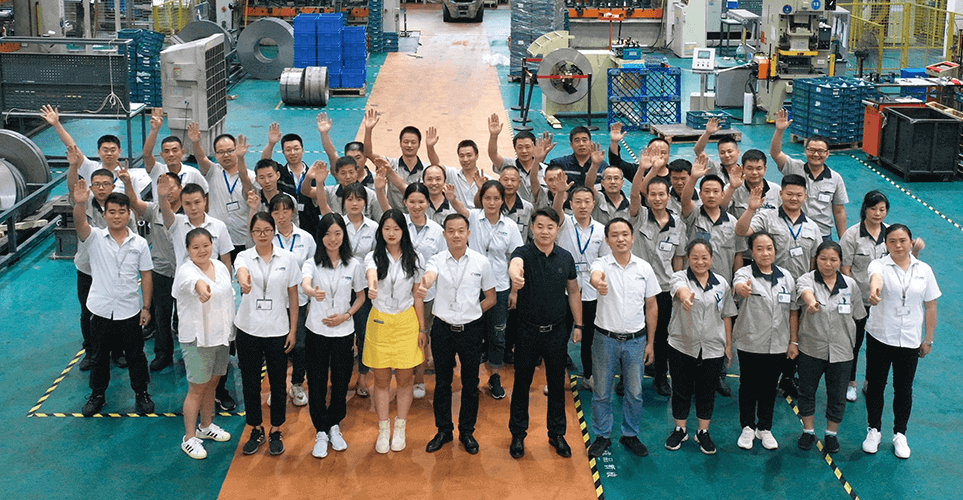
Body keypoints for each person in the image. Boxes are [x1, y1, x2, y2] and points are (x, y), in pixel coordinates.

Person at [72, 184, 155, 417]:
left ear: (129, 214)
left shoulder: (139, 243)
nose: (117, 216)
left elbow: (146, 274)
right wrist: (80, 203)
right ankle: (97, 395)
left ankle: (141, 393)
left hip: (129, 311)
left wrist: (146, 307)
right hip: (100, 310)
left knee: (136, 356)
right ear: (105, 214)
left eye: (121, 212)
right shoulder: (95, 237)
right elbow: (80, 223)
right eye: (112, 212)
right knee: (99, 357)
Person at [507, 207, 583, 459]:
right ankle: (518, 434)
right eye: (539, 226)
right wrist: (515, 277)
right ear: (532, 228)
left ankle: (557, 434)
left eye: (550, 227)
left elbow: (573, 291)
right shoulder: (523, 253)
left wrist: (579, 325)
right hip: (527, 331)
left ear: (557, 230)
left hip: (557, 332)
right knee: (522, 383)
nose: (544, 231)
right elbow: (515, 266)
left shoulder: (565, 257)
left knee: (557, 384)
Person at [420, 213, 497, 454]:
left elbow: (491, 298)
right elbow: (430, 276)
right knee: (442, 382)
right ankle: (444, 430)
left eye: (461, 230)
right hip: (443, 328)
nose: (456, 235)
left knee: (470, 383)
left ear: (468, 233)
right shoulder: (436, 260)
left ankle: (467, 431)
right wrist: (425, 283)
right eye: (451, 231)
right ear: (444, 234)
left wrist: (472, 311)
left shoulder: (481, 262)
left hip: (471, 329)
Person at [862, 224, 940, 459]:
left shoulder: (924, 270)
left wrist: (928, 339)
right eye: (892, 241)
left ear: (911, 242)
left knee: (903, 388)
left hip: (909, 339)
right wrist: (875, 291)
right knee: (876, 385)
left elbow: (931, 306)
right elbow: (876, 279)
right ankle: (874, 430)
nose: (898, 245)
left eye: (903, 241)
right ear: (886, 244)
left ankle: (900, 434)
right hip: (880, 336)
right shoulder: (879, 265)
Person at [839, 191, 924, 402]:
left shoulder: (891, 234)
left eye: (882, 209)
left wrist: (916, 251)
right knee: (854, 343)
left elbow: (905, 261)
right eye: (873, 208)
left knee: (877, 346)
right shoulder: (851, 235)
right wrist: (853, 296)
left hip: (885, 303)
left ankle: (870, 381)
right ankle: (850, 382)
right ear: (864, 209)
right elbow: (846, 269)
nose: (877, 213)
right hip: (859, 301)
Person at [586, 217, 660, 458]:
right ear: (607, 240)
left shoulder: (644, 268)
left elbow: (651, 305)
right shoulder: (601, 264)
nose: (620, 239)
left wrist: (650, 342)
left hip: (636, 341)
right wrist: (598, 283)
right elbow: (595, 276)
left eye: (625, 234)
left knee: (635, 392)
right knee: (601, 391)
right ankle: (602, 436)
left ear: (632, 237)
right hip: (605, 339)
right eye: (615, 235)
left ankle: (630, 434)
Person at [234, 213, 301, 456]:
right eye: (257, 231)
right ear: (251, 233)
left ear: (273, 231)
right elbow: (241, 272)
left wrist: (293, 330)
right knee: (250, 383)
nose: (262, 235)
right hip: (248, 329)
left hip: (278, 329)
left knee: (278, 383)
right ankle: (256, 428)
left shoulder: (288, 259)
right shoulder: (244, 257)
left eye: (266, 230)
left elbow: (293, 295)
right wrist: (244, 282)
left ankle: (276, 429)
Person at [791, 241, 866, 454]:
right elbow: (805, 292)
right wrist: (811, 302)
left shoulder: (850, 285)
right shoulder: (807, 279)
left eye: (833, 260)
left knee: (837, 395)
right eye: (823, 259)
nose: (828, 264)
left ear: (840, 261)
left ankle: (831, 434)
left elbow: (858, 316)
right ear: (816, 260)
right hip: (811, 349)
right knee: (807, 391)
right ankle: (808, 430)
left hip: (842, 351)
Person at [301, 213, 366, 459]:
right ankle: (320, 429)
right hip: (317, 331)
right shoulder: (312, 263)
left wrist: (346, 315)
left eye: (338, 233)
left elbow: (360, 296)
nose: (332, 239)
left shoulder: (354, 265)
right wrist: (311, 292)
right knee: (316, 380)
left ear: (343, 236)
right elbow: (305, 284)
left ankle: (335, 424)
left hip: (343, 331)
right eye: (327, 234)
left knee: (341, 380)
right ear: (321, 236)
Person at [364, 209, 428, 454]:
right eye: (386, 228)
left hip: (406, 322)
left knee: (404, 379)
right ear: (381, 231)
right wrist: (372, 286)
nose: (391, 233)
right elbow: (371, 275)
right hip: (380, 322)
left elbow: (418, 297)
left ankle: (400, 426)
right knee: (381, 380)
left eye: (396, 229)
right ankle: (383, 428)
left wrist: (422, 328)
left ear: (404, 231)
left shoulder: (415, 258)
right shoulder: (373, 256)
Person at [664, 239, 737, 455]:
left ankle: (703, 432)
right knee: (681, 389)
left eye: (704, 257)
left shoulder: (721, 283)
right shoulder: (680, 277)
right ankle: (680, 429)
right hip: (682, 345)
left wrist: (728, 345)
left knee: (707, 391)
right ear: (688, 258)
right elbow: (680, 290)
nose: (700, 262)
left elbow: (726, 315)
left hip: (713, 348)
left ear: (712, 259)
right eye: (695, 258)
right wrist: (686, 298)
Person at [66, 145, 132, 371]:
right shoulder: (83, 203)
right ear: (91, 187)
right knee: (88, 313)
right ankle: (91, 351)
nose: (101, 188)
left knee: (118, 311)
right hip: (88, 270)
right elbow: (72, 189)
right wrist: (73, 166)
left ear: (113, 186)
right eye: (97, 184)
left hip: (115, 271)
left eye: (106, 184)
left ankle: (118, 351)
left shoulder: (122, 208)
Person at [173, 228, 236, 459]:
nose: (202, 250)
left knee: (212, 384)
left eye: (206, 245)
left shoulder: (220, 266)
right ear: (188, 250)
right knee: (197, 388)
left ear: (212, 245)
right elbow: (195, 283)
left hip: (221, 337)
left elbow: (229, 298)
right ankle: (189, 438)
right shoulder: (186, 271)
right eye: (196, 247)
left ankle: (206, 426)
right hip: (198, 340)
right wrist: (201, 288)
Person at [731, 232, 796, 451]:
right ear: (752, 252)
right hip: (750, 342)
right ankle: (747, 427)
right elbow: (739, 285)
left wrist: (793, 342)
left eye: (769, 248)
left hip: (778, 343)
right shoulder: (744, 273)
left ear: (775, 250)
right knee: (748, 386)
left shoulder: (786, 277)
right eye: (759, 249)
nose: (765, 253)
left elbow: (793, 311)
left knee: (770, 387)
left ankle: (765, 428)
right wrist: (742, 288)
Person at [318, 182, 379, 397]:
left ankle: (362, 375)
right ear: (343, 202)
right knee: (334, 332)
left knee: (363, 333)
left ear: (365, 202)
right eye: (350, 199)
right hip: (339, 286)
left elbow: (376, 257)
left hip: (363, 288)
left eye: (359, 199)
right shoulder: (337, 225)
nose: (354, 203)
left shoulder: (374, 227)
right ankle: (334, 377)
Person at [628, 175, 687, 397]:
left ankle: (661, 376)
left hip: (663, 288)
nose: (657, 198)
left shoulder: (677, 223)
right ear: (647, 196)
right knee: (633, 332)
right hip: (637, 287)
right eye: (652, 194)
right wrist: (643, 169)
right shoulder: (639, 216)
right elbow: (634, 194)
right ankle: (627, 377)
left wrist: (678, 286)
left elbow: (678, 258)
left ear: (668, 197)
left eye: (662, 194)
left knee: (662, 335)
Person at [468, 180, 524, 399]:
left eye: (496, 198)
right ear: (481, 199)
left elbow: (517, 257)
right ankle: (471, 377)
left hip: (500, 287)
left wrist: (514, 291)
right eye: (487, 198)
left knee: (498, 335)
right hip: (473, 287)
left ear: (503, 200)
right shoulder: (473, 217)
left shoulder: (509, 226)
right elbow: (458, 206)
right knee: (473, 335)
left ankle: (495, 377)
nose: (491, 202)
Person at [119, 166, 179, 372]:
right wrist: (128, 183)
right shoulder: (155, 210)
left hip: (185, 273)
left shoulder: (190, 211)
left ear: (180, 189)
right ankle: (163, 354)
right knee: (162, 315)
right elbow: (134, 203)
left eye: (171, 187)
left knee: (187, 315)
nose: (167, 191)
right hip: (161, 271)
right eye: (163, 187)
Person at [551, 186, 609, 391]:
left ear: (593, 204)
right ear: (571, 204)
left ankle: (589, 376)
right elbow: (556, 210)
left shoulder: (601, 230)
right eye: (578, 201)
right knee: (559, 338)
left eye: (587, 201)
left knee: (590, 339)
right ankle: (556, 380)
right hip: (564, 291)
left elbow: (604, 261)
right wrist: (560, 193)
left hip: (592, 294)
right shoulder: (563, 223)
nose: (583, 206)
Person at [770, 109, 848, 240]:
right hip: (794, 231)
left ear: (827, 154)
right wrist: (780, 131)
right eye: (811, 150)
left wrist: (843, 240)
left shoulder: (835, 178)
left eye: (821, 151)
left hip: (822, 234)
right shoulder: (794, 167)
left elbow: (839, 211)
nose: (816, 154)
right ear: (805, 151)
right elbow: (775, 153)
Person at [271, 195, 317, 407]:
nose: (281, 216)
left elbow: (315, 269)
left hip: (300, 300)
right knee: (276, 346)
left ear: (293, 212)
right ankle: (278, 387)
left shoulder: (306, 238)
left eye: (285, 211)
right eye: (276, 212)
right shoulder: (269, 238)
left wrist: (312, 300)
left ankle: (297, 384)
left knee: (299, 345)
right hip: (276, 302)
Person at [189, 123, 255, 258]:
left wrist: (241, 158)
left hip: (243, 237)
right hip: (217, 238)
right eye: (221, 152)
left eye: (230, 151)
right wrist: (196, 143)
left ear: (237, 150)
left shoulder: (250, 176)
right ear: (215, 154)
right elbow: (201, 158)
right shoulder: (212, 171)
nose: (226, 155)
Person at [40, 105, 126, 190]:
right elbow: (73, 147)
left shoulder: (127, 174)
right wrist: (57, 124)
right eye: (105, 150)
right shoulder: (91, 167)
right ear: (98, 152)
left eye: (113, 150)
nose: (109, 153)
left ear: (120, 152)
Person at [261, 124, 321, 238]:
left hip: (311, 226)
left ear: (303, 150)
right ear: (283, 152)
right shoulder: (280, 173)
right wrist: (271, 143)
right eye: (288, 150)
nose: (293, 153)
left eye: (296, 149)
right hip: (284, 227)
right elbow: (265, 163)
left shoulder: (313, 174)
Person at [362, 109, 428, 210]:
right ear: (400, 143)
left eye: (413, 142)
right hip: (394, 216)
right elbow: (367, 153)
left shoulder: (426, 170)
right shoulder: (390, 163)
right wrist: (368, 130)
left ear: (419, 144)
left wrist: (390, 172)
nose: (409, 145)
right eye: (406, 142)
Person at [143, 108, 209, 202]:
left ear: (182, 152)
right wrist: (155, 130)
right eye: (166, 151)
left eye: (175, 150)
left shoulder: (192, 173)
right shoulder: (157, 171)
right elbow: (147, 154)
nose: (171, 154)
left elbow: (206, 194)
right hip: (161, 211)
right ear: (161, 155)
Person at [487, 113, 547, 205]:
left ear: (534, 147)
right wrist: (493, 136)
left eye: (527, 147)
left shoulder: (545, 169)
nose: (524, 151)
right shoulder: (509, 165)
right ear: (514, 148)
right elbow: (493, 155)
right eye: (520, 147)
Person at [313, 157, 385, 222]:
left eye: (359, 199)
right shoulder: (329, 192)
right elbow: (323, 207)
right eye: (343, 173)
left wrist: (380, 190)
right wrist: (319, 182)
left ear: (357, 172)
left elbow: (381, 220)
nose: (348, 176)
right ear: (337, 174)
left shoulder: (370, 194)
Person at [317, 111, 375, 187]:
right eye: (350, 157)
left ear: (365, 158)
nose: (354, 161)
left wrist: (368, 130)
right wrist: (324, 134)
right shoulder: (341, 175)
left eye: (358, 157)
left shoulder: (375, 178)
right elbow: (332, 154)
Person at [725, 149, 780, 219]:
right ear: (742, 168)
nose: (754, 172)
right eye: (749, 168)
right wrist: (732, 188)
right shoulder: (732, 188)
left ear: (765, 169)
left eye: (759, 168)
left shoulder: (776, 190)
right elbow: (719, 209)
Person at [252, 159, 300, 228]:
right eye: (262, 177)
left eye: (270, 176)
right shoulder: (254, 201)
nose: (267, 181)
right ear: (257, 179)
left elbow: (295, 225)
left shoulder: (290, 199)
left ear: (278, 175)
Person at [694, 120, 741, 186]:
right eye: (722, 152)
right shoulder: (714, 169)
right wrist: (707, 133)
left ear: (738, 152)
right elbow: (698, 151)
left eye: (730, 151)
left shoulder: (745, 172)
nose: (726, 155)